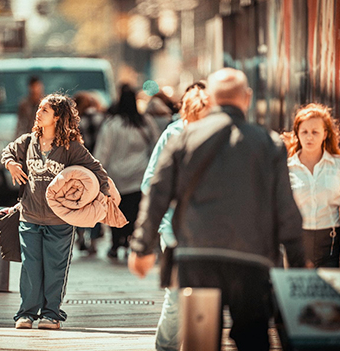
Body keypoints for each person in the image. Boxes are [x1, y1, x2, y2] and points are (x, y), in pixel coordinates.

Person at [128, 68, 305, 351]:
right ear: (247, 98)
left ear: (210, 98)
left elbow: (158, 193)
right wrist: (298, 261)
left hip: (197, 257)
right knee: (252, 338)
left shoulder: (183, 138)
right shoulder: (268, 143)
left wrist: (142, 246)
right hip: (252, 259)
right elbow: (285, 207)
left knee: (200, 339)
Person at [1, 93, 111, 330]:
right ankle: (26, 314)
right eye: (39, 108)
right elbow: (7, 152)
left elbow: (96, 170)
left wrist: (104, 196)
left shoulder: (71, 148)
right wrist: (11, 165)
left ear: (58, 117)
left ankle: (51, 315)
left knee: (55, 268)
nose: (38, 113)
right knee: (31, 267)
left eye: (45, 110)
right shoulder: (27, 141)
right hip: (29, 217)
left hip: (60, 221)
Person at [140, 81, 209, 351]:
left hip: (210, 230)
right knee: (178, 295)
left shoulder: (223, 135)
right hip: (175, 229)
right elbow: (150, 182)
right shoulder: (173, 134)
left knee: (204, 295)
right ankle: (166, 347)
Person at [283, 103, 340, 267]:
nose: (309, 137)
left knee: (329, 291)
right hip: (297, 243)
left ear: (325, 134)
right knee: (299, 291)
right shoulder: (286, 168)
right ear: (297, 134)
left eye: (315, 132)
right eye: (304, 132)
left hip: (331, 245)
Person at [94, 84, 159, 260]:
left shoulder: (112, 125)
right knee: (135, 210)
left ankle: (116, 242)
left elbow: (103, 152)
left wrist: (97, 172)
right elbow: (156, 146)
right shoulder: (146, 123)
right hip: (139, 174)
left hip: (116, 176)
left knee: (117, 209)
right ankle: (131, 240)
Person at [73, 91, 105, 253]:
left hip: (79, 167)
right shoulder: (102, 119)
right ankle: (93, 240)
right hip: (97, 166)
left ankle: (79, 235)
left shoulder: (76, 122)